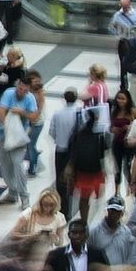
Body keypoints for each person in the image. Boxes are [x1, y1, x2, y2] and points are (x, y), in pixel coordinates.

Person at [0, 78, 38, 210]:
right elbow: (1, 111)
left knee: (18, 165)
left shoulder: (30, 98)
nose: (21, 92)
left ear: (28, 90)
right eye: (20, 89)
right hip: (4, 135)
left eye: (25, 90)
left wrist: (21, 112)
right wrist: (8, 128)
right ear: (17, 86)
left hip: (19, 138)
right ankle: (12, 192)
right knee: (5, 165)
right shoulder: (9, 93)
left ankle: (24, 196)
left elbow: (34, 116)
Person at [67, 108, 110, 222]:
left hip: (82, 172)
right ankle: (93, 220)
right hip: (95, 171)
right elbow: (104, 153)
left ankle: (84, 221)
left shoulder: (78, 134)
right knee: (97, 197)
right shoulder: (100, 134)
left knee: (84, 199)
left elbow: (73, 153)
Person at [50, 87, 82, 217]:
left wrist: (59, 139)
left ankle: (63, 209)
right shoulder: (79, 112)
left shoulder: (57, 113)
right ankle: (69, 207)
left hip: (60, 150)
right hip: (75, 151)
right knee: (72, 178)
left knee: (60, 180)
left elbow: (52, 132)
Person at [109, 0, 136, 89]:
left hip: (135, 41)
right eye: (122, 6)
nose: (124, 8)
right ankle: (124, 85)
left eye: (125, 6)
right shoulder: (117, 15)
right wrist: (118, 34)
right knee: (123, 64)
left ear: (129, 4)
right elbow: (111, 27)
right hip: (123, 42)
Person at [110, 90, 136, 194]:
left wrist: (129, 127)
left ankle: (130, 188)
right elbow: (110, 125)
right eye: (119, 98)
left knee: (128, 167)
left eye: (123, 99)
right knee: (117, 168)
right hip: (117, 143)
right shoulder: (114, 111)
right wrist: (112, 129)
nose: (120, 101)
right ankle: (116, 192)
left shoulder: (133, 112)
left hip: (128, 144)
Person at [25, 70, 45, 178]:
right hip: (31, 121)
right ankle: (35, 159)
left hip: (36, 123)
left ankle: (33, 167)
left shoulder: (39, 93)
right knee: (30, 145)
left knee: (31, 145)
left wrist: (32, 120)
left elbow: (39, 109)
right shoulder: (30, 91)